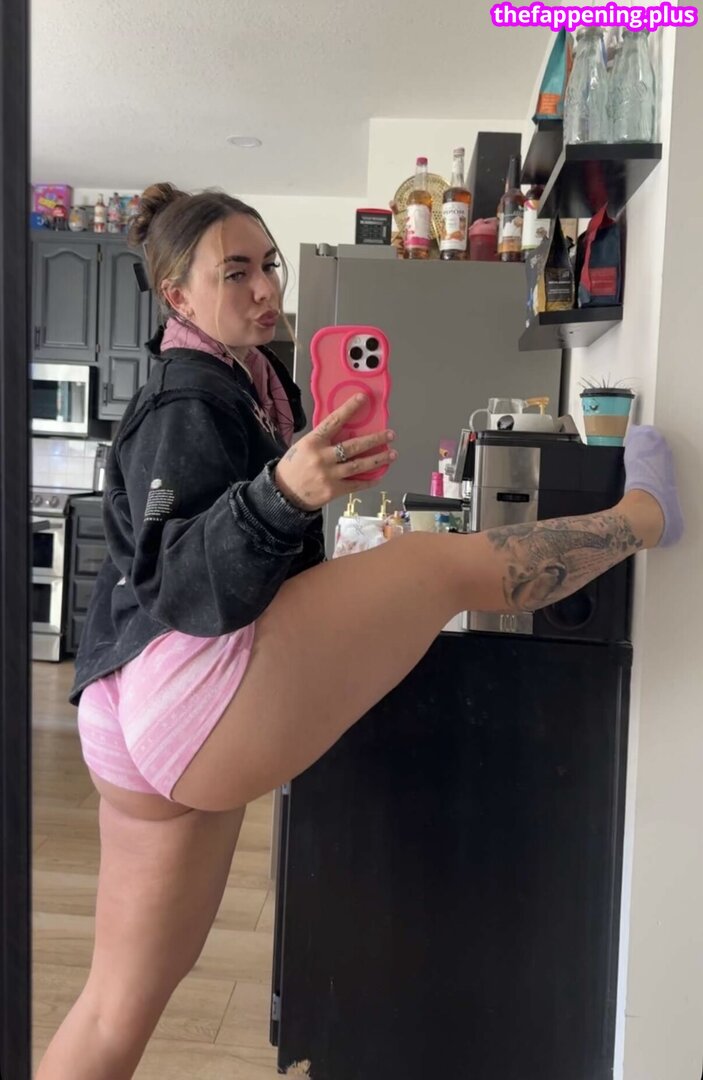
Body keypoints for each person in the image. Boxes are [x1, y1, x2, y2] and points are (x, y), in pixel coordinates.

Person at [36, 183, 683, 1079]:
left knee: (118, 1004)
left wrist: (299, 493)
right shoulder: (188, 401)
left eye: (267, 264)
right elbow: (178, 579)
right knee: (434, 570)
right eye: (234, 272)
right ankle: (644, 516)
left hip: (132, 700)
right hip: (185, 692)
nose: (265, 287)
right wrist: (281, 495)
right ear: (177, 296)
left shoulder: (246, 379)